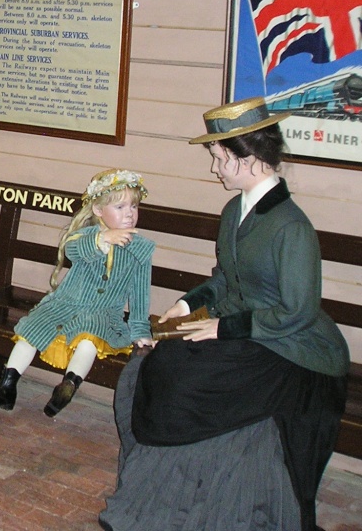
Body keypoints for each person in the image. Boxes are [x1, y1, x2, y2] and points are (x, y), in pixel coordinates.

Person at [100, 97, 350, 531]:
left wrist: (222, 328)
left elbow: (299, 311)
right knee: (156, 358)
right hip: (246, 330)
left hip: (295, 349)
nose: (215, 169)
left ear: (248, 158)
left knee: (188, 378)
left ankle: (211, 504)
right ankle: (161, 499)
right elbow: (224, 280)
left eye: (219, 158)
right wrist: (186, 304)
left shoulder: (292, 227)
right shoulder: (236, 210)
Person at [0, 168, 154, 417]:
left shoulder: (141, 250)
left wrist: (140, 332)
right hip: (65, 305)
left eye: (134, 207)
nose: (129, 214)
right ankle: (6, 386)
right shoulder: (86, 236)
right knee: (31, 330)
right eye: (120, 207)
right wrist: (105, 239)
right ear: (98, 210)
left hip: (102, 314)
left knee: (89, 340)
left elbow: (139, 295)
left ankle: (69, 385)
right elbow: (74, 251)